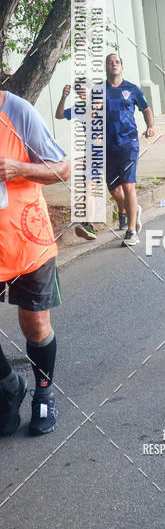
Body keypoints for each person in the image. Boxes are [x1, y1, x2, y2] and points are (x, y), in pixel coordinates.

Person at [0, 89, 70, 436]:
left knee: (36, 325)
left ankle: (44, 393)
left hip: (28, 242)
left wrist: (18, 168)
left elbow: (64, 168)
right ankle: (8, 385)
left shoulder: (17, 111)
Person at [105, 53, 154, 247]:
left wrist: (150, 126)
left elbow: (146, 109)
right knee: (114, 189)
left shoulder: (132, 89)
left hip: (129, 144)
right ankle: (132, 210)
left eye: (117, 62)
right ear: (106, 68)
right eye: (110, 62)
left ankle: (131, 230)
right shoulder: (99, 90)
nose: (114, 64)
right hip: (108, 146)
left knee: (128, 186)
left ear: (122, 67)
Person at [55, 84, 96, 241]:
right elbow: (59, 115)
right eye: (79, 93)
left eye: (84, 91)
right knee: (88, 188)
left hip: (112, 150)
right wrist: (63, 97)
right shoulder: (80, 107)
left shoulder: (104, 103)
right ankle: (89, 226)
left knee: (118, 188)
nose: (81, 95)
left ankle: (127, 212)